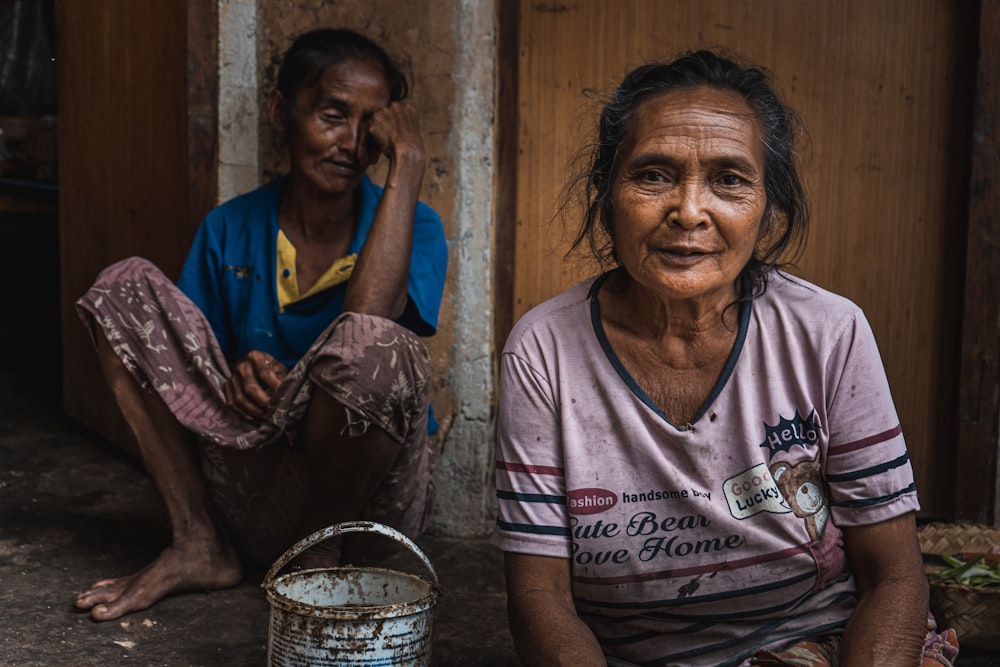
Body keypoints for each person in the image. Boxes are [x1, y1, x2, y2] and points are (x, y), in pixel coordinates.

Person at [491, 51, 959, 667]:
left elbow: (896, 577)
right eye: (653, 175)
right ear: (607, 196)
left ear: (768, 209)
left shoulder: (829, 332)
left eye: (729, 180)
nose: (688, 211)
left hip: (812, 640)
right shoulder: (544, 350)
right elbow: (540, 597)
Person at [73, 28, 448, 622]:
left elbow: (367, 327)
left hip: (364, 516)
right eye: (331, 115)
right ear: (281, 111)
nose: (351, 144)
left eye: (371, 127)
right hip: (258, 494)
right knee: (123, 287)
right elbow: (193, 375)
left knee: (375, 344)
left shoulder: (413, 225)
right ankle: (198, 540)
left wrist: (408, 161)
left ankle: (313, 559)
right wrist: (237, 376)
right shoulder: (231, 226)